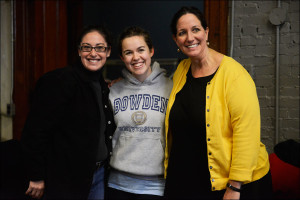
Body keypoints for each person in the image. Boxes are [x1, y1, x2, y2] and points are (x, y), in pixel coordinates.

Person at [163, 6, 273, 200]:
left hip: (231, 185)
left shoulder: (234, 75)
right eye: (182, 33)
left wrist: (235, 187)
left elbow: (246, 133)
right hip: (191, 180)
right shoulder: (182, 69)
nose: (190, 37)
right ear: (175, 39)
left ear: (206, 32)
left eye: (195, 29)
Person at [21, 25, 115, 199]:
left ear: (108, 52)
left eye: (100, 48)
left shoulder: (101, 84)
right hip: (66, 180)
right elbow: (35, 132)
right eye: (87, 47)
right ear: (79, 51)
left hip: (97, 176)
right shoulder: (59, 81)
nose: (93, 53)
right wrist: (36, 176)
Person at [107, 26, 173, 200]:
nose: (136, 57)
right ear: (122, 58)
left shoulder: (172, 89)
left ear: (151, 51)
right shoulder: (113, 91)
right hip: (117, 184)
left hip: (156, 187)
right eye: (128, 53)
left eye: (141, 50)